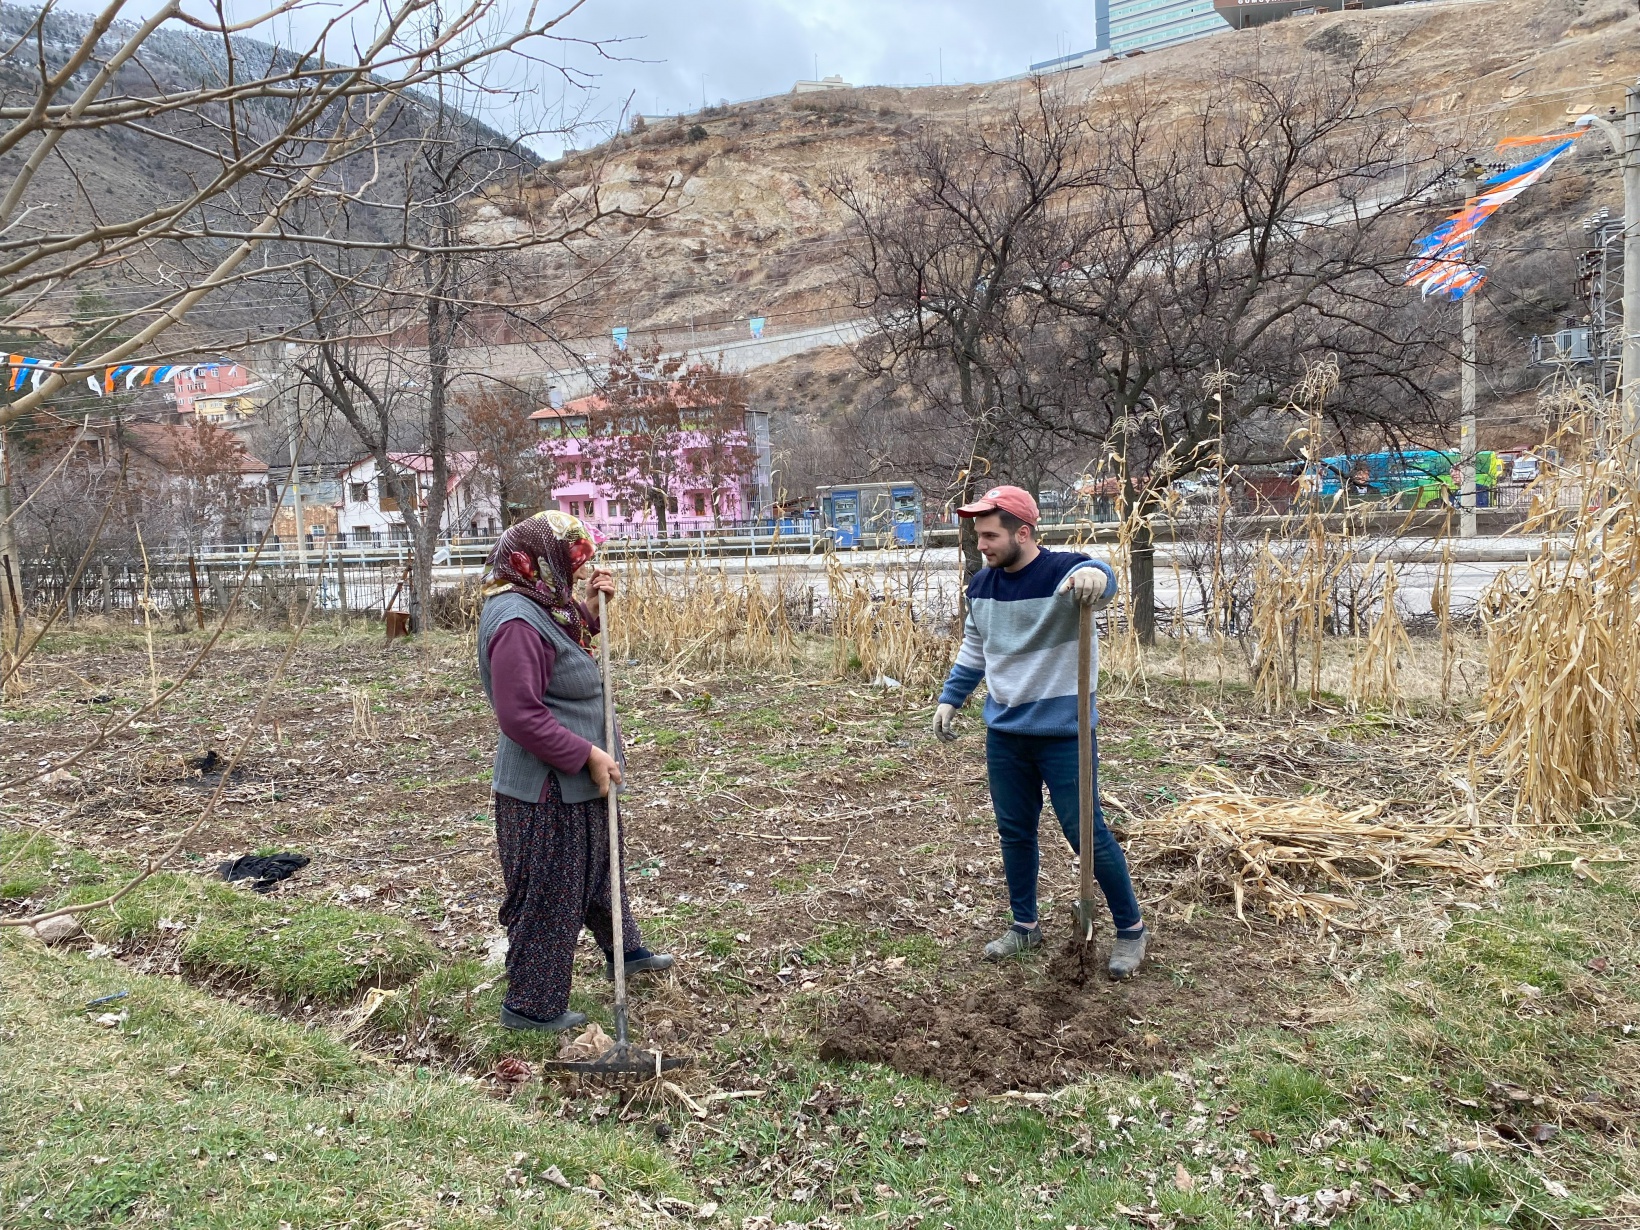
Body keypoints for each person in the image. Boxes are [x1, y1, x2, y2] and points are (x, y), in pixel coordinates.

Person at [933, 485, 1148, 979]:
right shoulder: (982, 585)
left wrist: (1097, 576)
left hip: (1064, 732)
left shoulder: (1063, 572)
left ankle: (1131, 929)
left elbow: (1100, 577)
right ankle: (1025, 924)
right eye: (977, 535)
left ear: (1022, 533)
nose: (980, 545)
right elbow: (975, 648)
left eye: (989, 535)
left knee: (1084, 831)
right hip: (1006, 733)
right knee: (1014, 830)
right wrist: (951, 697)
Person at [476, 511, 673, 1032]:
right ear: (541, 561)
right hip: (545, 788)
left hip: (576, 781)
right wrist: (585, 754)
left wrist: (591, 612)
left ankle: (625, 952)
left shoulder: (543, 604)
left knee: (600, 872)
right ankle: (531, 1007)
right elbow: (520, 713)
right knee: (551, 890)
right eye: (573, 563)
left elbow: (564, 646)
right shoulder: (515, 621)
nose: (580, 573)